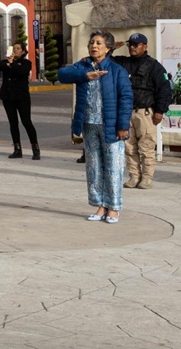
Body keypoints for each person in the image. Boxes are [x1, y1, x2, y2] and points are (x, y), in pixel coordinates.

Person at [59, 31, 132, 224]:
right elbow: (62, 74)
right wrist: (84, 75)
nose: (94, 46)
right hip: (89, 124)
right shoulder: (83, 66)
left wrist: (123, 125)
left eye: (99, 43)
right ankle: (100, 204)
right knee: (94, 167)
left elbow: (126, 98)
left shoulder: (117, 70)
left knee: (113, 167)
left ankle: (113, 207)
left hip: (111, 126)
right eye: (92, 42)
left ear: (108, 48)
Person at [116, 33, 173, 190]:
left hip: (145, 112)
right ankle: (134, 176)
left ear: (145, 46)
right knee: (129, 147)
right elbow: (104, 61)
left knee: (146, 147)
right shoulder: (123, 63)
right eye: (130, 45)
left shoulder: (154, 66)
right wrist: (111, 48)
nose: (132, 47)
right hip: (126, 112)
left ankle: (147, 178)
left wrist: (160, 110)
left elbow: (164, 90)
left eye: (136, 45)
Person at [0, 41, 39, 159]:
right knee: (13, 122)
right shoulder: (6, 62)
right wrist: (8, 63)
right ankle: (17, 149)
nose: (15, 50)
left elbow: (22, 71)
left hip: (21, 97)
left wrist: (12, 64)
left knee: (26, 121)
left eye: (18, 48)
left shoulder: (26, 63)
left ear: (23, 52)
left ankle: (35, 148)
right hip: (8, 97)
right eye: (14, 48)